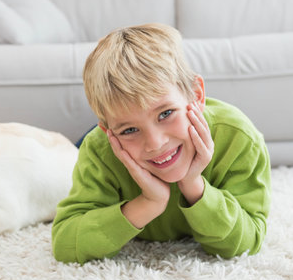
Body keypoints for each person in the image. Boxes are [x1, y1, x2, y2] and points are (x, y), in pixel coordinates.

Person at [52, 23, 271, 264]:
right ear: (108, 132)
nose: (155, 143)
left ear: (196, 95)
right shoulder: (100, 149)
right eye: (130, 129)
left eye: (166, 113)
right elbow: (65, 244)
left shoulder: (239, 137)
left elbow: (247, 243)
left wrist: (194, 184)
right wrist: (148, 203)